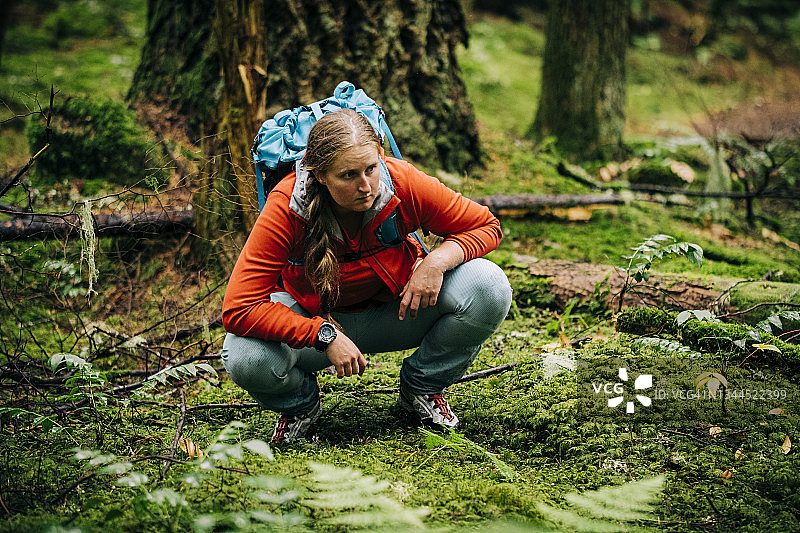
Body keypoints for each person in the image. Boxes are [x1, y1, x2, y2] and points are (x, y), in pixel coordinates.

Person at [221, 108, 512, 444]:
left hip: (399, 311)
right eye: (348, 176)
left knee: (488, 286)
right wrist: (323, 334)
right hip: (316, 325)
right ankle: (299, 406)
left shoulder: (401, 182)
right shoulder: (287, 206)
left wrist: (437, 262)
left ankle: (422, 389)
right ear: (319, 175)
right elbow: (239, 308)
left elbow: (486, 225)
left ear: (380, 157)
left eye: (371, 169)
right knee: (244, 355)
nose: (366, 186)